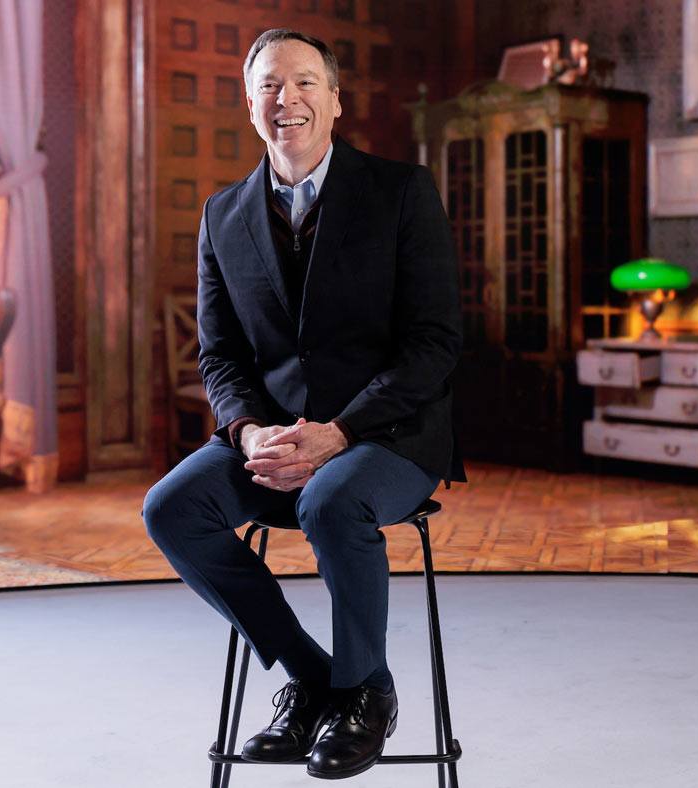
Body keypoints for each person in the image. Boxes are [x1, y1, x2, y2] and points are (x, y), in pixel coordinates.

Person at [143, 28, 463, 780]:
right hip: (274, 437)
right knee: (170, 509)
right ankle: (314, 678)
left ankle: (365, 692)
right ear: (249, 104)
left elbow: (436, 345)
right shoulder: (223, 216)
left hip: (389, 435)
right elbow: (219, 355)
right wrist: (250, 430)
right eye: (269, 86)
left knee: (331, 502)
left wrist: (340, 432)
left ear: (335, 100)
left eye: (305, 83)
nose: (287, 99)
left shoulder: (401, 192)